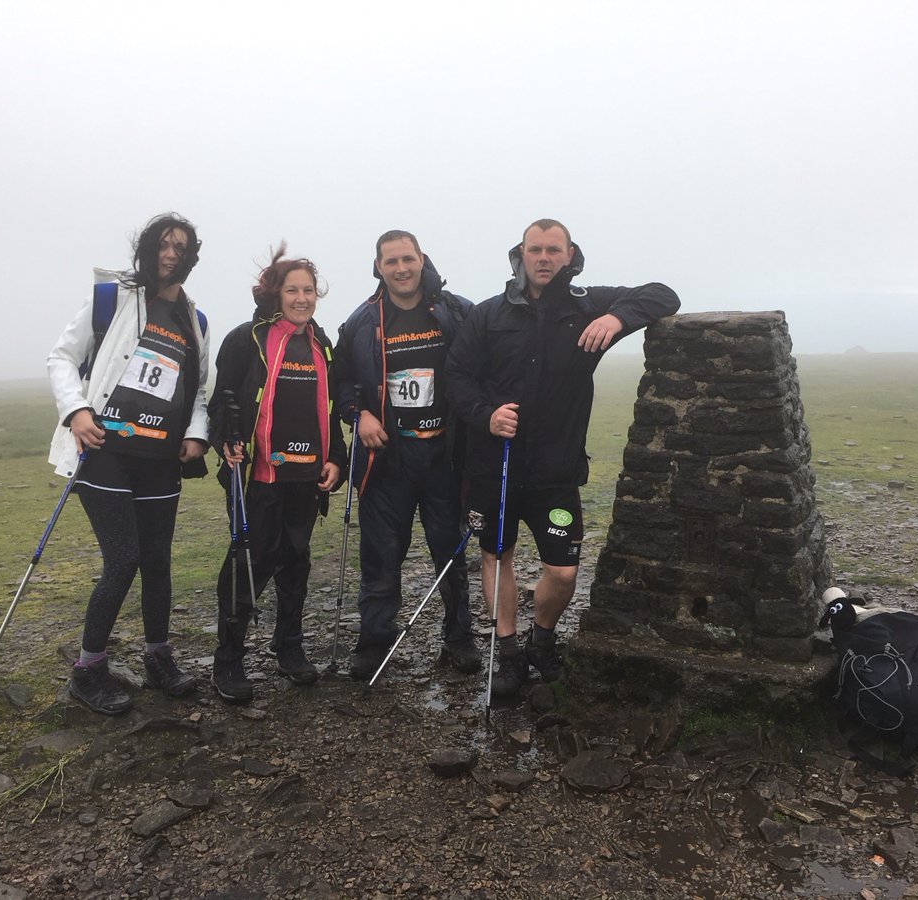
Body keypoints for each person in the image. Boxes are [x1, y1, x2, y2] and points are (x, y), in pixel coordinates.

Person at [445, 218, 680, 697]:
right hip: (496, 468)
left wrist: (617, 319)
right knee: (497, 555)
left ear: (570, 255)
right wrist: (486, 415)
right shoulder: (488, 315)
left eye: (554, 250)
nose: (545, 258)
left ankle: (542, 640)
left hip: (556, 471)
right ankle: (507, 652)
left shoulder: (588, 306)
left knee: (564, 569)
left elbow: (663, 294)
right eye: (536, 249)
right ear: (521, 255)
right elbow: (457, 378)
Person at [47, 212, 209, 715]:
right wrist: (76, 411)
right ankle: (88, 668)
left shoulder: (195, 319)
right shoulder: (112, 299)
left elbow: (199, 390)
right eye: (162, 244)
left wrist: (197, 436)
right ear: (146, 249)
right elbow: (61, 358)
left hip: (160, 459)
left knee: (158, 561)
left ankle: (158, 656)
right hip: (104, 454)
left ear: (191, 257)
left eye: (180, 247)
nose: (170, 253)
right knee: (124, 559)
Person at [333, 230, 480, 681]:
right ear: (378, 267)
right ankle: (374, 644)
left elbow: (483, 365)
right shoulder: (361, 322)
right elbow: (341, 383)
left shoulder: (455, 312)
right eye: (391, 261)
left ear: (422, 260)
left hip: (444, 456)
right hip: (388, 462)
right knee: (381, 555)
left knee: (450, 551)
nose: (401, 268)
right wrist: (359, 416)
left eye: (408, 259)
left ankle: (459, 638)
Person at [207, 245, 346, 703]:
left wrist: (337, 460)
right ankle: (228, 659)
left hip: (306, 477)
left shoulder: (323, 343)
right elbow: (221, 404)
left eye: (308, 290)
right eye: (293, 290)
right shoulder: (245, 339)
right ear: (275, 293)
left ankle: (289, 648)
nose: (302, 298)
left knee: (296, 562)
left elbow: (328, 410)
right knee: (250, 563)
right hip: (257, 477)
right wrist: (226, 439)